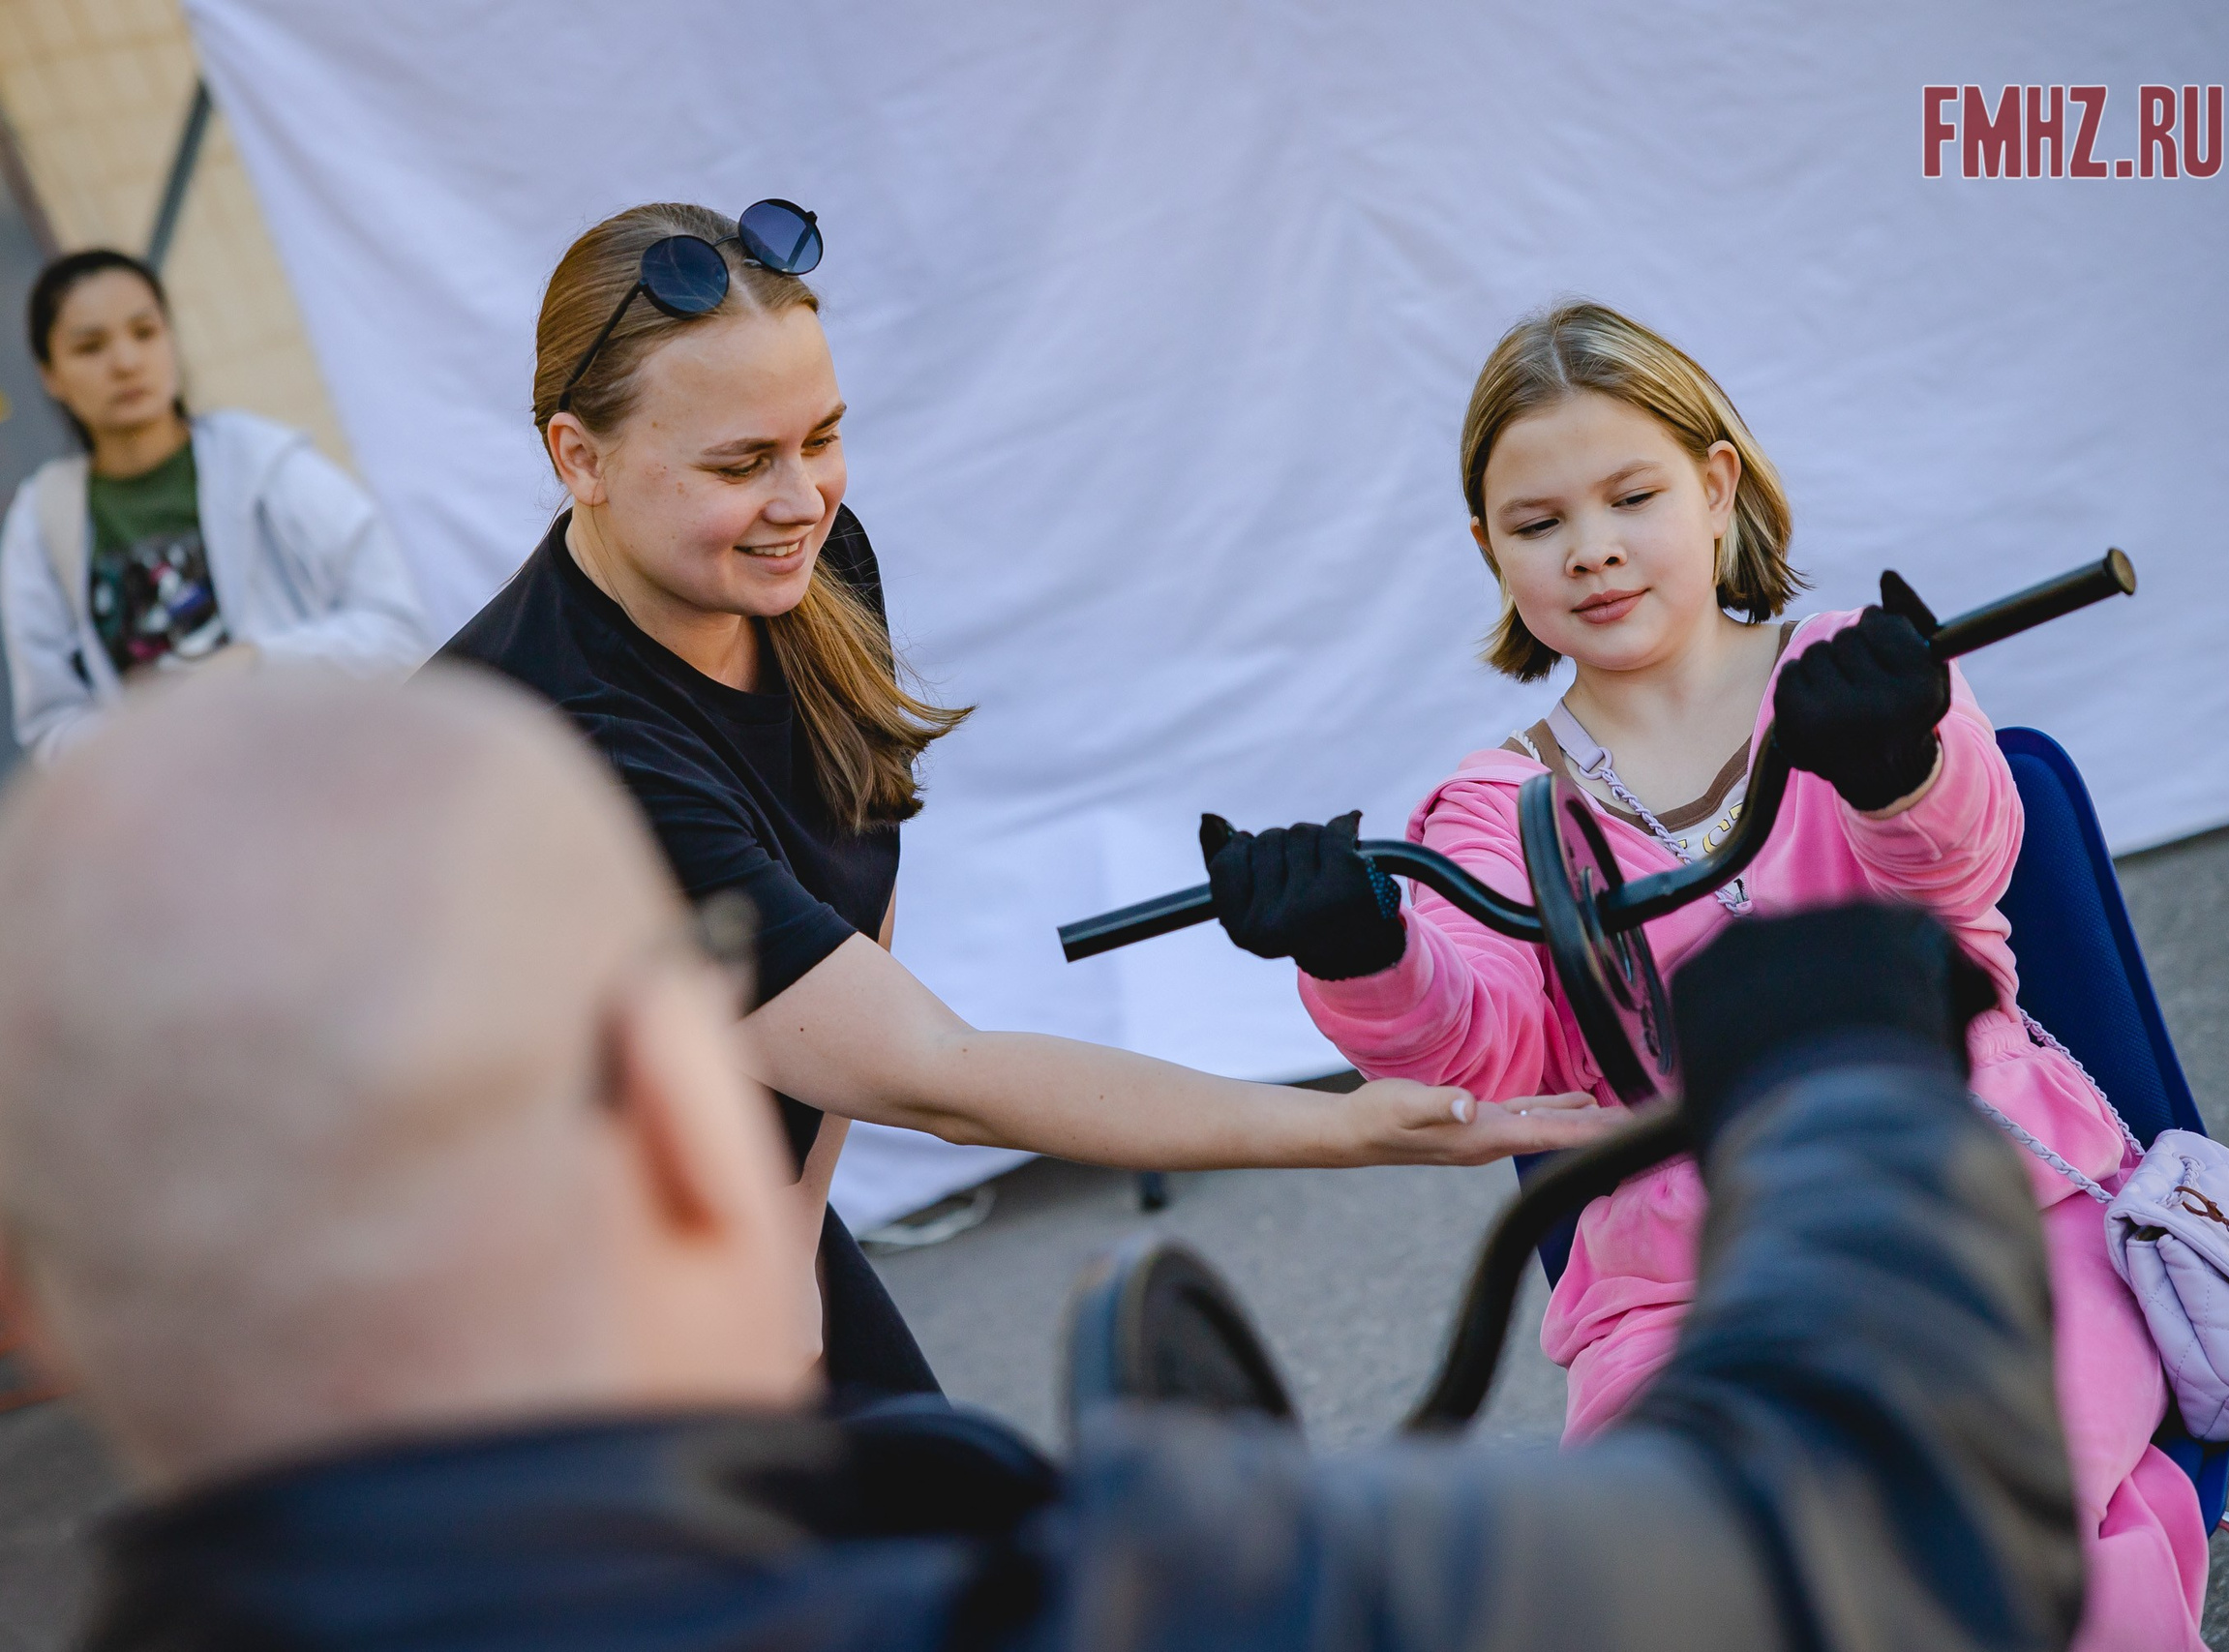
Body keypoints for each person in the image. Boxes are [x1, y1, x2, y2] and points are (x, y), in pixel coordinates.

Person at [0, 667, 2083, 1651]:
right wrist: (1839, 1096)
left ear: (14, 1292)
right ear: (687, 1127)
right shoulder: (1133, 1598)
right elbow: (1878, 1531)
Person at [437, 202, 1613, 1397]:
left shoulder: (804, 571)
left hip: (729, 1206)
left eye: (822, 437)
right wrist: (1343, 1129)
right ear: (577, 457)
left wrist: (789, 1227)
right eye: (740, 464)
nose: (802, 499)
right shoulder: (558, 750)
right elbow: (927, 1071)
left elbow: (838, 937)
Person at [1200, 300, 2205, 1649]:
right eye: (1539, 522)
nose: (1592, 549)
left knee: (1972, 1544)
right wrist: (1360, 947)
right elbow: (1476, 1039)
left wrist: (1897, 766)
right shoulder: (1495, 808)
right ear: (1490, 549)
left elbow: (1956, 875)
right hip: (1688, 1287)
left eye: (1632, 497)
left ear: (1717, 486)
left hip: (1984, 1211)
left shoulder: (1857, 670)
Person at [0, 248, 430, 761]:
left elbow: (399, 632)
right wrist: (144, 739)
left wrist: (253, 662)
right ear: (50, 374)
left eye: (145, 332)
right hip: (177, 804)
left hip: (329, 772)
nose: (126, 362)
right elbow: (51, 724)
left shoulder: (268, 464)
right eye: (90, 347)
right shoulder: (41, 520)